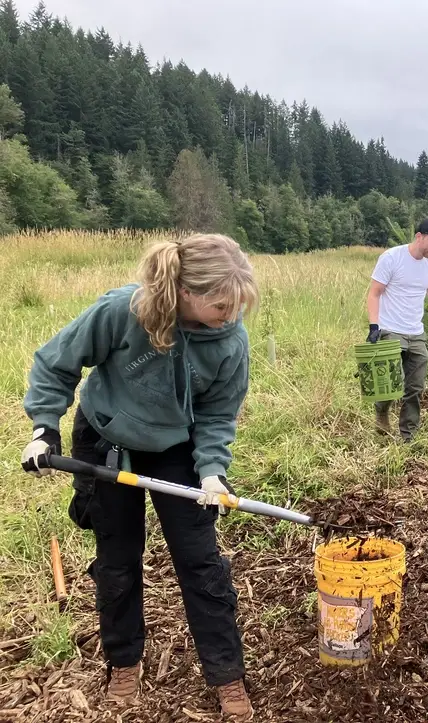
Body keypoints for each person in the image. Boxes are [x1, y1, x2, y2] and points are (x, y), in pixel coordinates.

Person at [20, 234, 259, 719]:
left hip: (177, 450)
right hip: (107, 442)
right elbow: (55, 363)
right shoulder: (124, 311)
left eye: (236, 305)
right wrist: (45, 430)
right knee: (118, 558)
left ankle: (226, 672)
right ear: (186, 292)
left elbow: (217, 416)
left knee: (200, 561)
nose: (230, 315)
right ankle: (124, 660)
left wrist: (211, 473)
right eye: (220, 304)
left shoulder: (230, 340)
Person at [366, 218, 428, 441]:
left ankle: (408, 435)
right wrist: (374, 326)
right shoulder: (392, 258)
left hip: (416, 332)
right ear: (419, 237)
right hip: (390, 329)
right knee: (391, 382)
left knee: (415, 387)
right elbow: (374, 293)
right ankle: (381, 411)